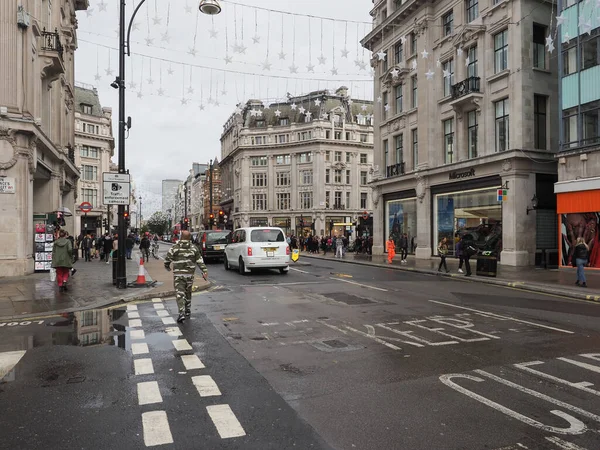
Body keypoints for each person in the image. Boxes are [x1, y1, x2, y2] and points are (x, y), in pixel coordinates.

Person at [164, 230, 208, 323]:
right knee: (188, 292)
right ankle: (188, 311)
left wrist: (167, 267)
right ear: (189, 238)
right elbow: (200, 261)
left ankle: (181, 313)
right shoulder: (194, 248)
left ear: (181, 237)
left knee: (180, 293)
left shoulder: (175, 247)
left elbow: (167, 259)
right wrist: (204, 271)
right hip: (190, 274)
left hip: (178, 274)